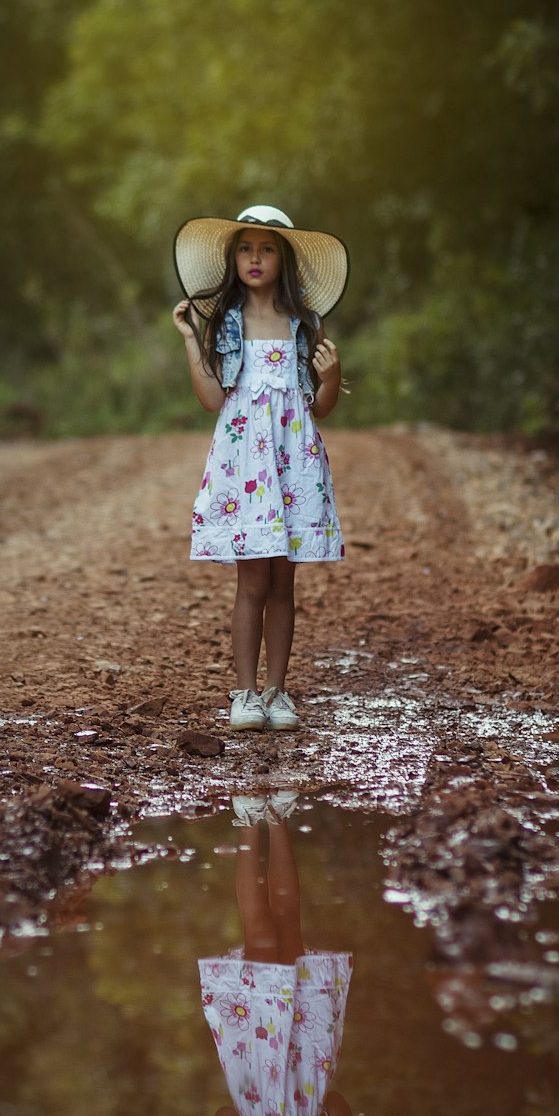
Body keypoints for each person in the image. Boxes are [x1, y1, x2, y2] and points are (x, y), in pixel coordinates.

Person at [172, 204, 349, 734]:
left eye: (267, 248)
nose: (255, 258)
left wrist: (333, 376)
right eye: (245, 248)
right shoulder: (225, 322)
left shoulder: (304, 325)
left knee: (282, 584)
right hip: (246, 462)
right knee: (252, 580)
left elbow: (320, 406)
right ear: (234, 258)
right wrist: (187, 338)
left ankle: (277, 693)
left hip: (293, 460)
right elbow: (210, 399)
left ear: (283, 258)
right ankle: (244, 694)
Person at [191, 792, 368, 1116]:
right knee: (290, 926)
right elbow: (333, 1104)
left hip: (256, 1059)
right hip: (309, 1055)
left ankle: (247, 823)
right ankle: (279, 817)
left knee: (260, 937)